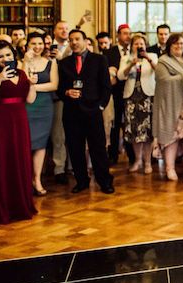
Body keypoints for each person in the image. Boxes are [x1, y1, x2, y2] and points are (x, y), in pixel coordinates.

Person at [0, 40, 37, 224]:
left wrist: (32, 84)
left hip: (18, 122)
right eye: (0, 56)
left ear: (13, 55)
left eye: (8, 55)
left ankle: (19, 206)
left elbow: (30, 100)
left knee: (18, 161)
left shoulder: (21, 72)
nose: (5, 59)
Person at [57, 29, 115, 195]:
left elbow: (106, 87)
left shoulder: (99, 60)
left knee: (98, 149)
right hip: (71, 113)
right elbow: (60, 89)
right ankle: (81, 181)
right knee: (75, 148)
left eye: (77, 39)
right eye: (71, 40)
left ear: (84, 41)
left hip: (93, 111)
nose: (74, 42)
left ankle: (104, 181)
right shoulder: (64, 63)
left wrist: (101, 106)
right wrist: (67, 92)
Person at [153, 33, 183, 181]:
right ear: (169, 46)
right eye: (176, 44)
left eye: (182, 43)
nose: (179, 46)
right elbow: (164, 81)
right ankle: (169, 168)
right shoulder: (163, 62)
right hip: (172, 105)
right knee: (173, 137)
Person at [22, 32, 58, 196]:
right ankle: (24, 179)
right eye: (33, 43)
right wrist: (25, 60)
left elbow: (53, 85)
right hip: (27, 105)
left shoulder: (51, 62)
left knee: (41, 144)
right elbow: (22, 82)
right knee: (25, 142)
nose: (37, 47)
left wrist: (33, 87)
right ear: (27, 45)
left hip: (44, 106)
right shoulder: (21, 62)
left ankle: (37, 179)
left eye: (40, 43)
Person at [118, 33, 157, 173]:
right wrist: (130, 64)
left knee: (147, 132)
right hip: (131, 97)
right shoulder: (126, 59)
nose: (139, 46)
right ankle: (137, 160)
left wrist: (147, 58)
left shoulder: (152, 57)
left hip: (147, 97)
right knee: (134, 132)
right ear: (132, 46)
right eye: (136, 44)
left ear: (145, 45)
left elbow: (158, 72)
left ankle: (148, 163)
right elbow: (120, 76)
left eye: (141, 44)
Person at [107, 24, 133, 167]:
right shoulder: (110, 52)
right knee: (115, 125)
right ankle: (113, 155)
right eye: (124, 33)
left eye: (129, 33)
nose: (127, 36)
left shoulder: (134, 52)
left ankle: (132, 155)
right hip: (115, 92)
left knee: (129, 124)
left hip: (131, 93)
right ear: (118, 35)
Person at [48, 20, 71, 185]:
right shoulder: (48, 47)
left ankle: (72, 166)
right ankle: (59, 168)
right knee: (58, 135)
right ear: (54, 31)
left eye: (66, 29)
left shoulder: (74, 46)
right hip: (55, 97)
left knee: (72, 133)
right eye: (61, 28)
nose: (64, 31)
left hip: (74, 96)